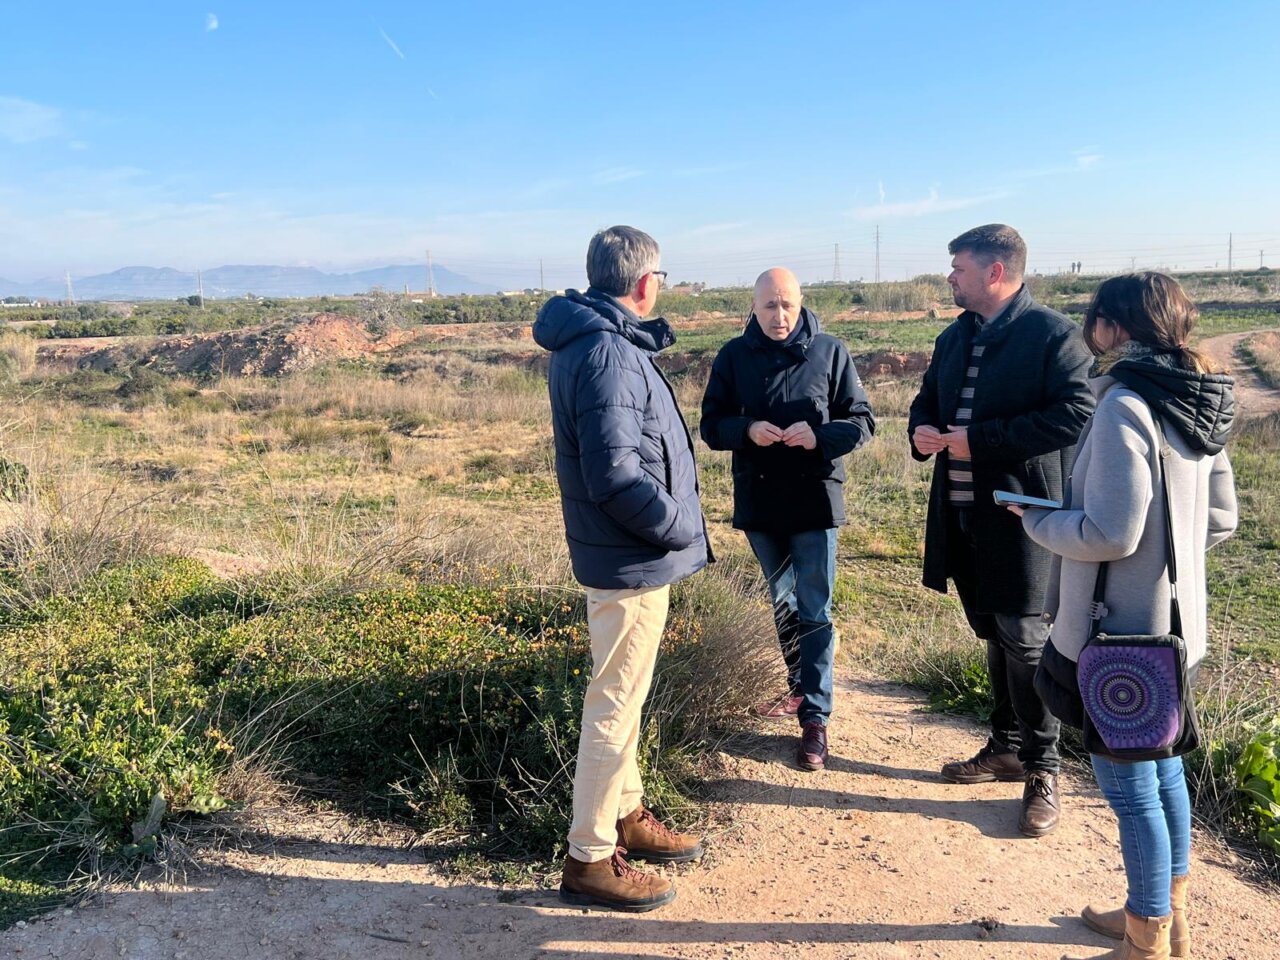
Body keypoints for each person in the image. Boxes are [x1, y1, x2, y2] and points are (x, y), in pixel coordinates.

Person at [1009, 273, 1237, 960]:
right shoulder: (1199, 398)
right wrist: (1167, 567)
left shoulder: (1125, 406)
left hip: (1118, 636)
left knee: (1131, 788)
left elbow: (1110, 532)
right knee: (1162, 772)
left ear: (1112, 327)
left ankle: (1147, 938)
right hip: (1176, 629)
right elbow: (1219, 520)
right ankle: (1167, 915)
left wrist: (1038, 521)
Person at [532, 225, 712, 912]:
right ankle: (589, 858)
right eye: (661, 277)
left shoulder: (595, 339)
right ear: (643, 282)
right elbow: (615, 474)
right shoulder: (607, 351)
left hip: (623, 553)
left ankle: (627, 815)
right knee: (613, 704)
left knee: (624, 696)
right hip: (630, 556)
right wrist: (680, 524)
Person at [908, 224, 1094, 836]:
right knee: (995, 630)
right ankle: (1008, 748)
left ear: (994, 272)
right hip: (963, 514)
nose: (950, 277)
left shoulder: (1053, 335)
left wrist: (978, 441)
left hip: (1025, 518)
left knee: (1026, 636)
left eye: (958, 267)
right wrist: (922, 431)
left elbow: (1076, 414)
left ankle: (1045, 769)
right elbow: (927, 400)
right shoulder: (954, 335)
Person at [700, 267, 875, 771]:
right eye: (770, 306)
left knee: (814, 607)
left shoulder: (831, 351)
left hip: (815, 500)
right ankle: (799, 688)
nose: (780, 316)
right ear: (753, 307)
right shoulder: (733, 356)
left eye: (788, 305)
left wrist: (819, 436)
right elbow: (711, 425)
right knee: (783, 601)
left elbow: (862, 421)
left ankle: (816, 719)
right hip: (760, 500)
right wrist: (747, 429)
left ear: (801, 303)